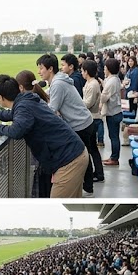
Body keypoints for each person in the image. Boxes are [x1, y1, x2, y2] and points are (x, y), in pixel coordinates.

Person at [0, 74, 89, 198]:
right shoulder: (26, 101)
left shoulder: (23, 107)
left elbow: (16, 131)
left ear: (0, 97)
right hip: (74, 155)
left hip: (69, 161)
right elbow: (13, 115)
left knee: (56, 208)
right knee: (70, 206)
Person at [36, 54, 101, 197]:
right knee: (85, 155)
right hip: (84, 122)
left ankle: (88, 189)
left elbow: (52, 110)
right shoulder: (58, 81)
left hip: (80, 124)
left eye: (41, 68)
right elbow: (50, 97)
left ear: (50, 69)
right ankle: (86, 187)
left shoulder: (58, 84)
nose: (39, 72)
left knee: (82, 156)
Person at [80, 60, 106, 181]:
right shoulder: (90, 82)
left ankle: (97, 174)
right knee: (93, 149)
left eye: (82, 71)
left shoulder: (93, 84)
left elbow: (88, 103)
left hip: (93, 118)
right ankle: (98, 173)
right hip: (91, 117)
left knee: (92, 149)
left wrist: (77, 104)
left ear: (86, 71)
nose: (81, 73)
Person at [101, 58, 123, 166]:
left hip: (113, 113)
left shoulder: (111, 81)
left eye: (105, 68)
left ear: (109, 69)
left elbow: (104, 97)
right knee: (114, 136)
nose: (104, 70)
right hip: (116, 111)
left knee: (114, 137)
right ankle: (113, 156)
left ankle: (114, 158)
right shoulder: (115, 79)